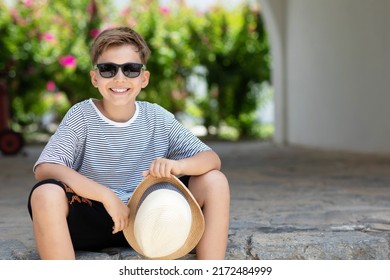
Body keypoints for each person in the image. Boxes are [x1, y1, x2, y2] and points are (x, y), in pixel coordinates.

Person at [27, 26, 230, 260]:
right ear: (95, 77)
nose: (119, 78)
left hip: (150, 219)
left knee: (214, 180)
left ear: (144, 78)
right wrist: (106, 196)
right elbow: (46, 167)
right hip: (93, 216)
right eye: (108, 69)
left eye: (131, 69)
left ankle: (211, 270)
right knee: (45, 194)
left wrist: (177, 166)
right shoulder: (82, 116)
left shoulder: (156, 117)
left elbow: (211, 159)